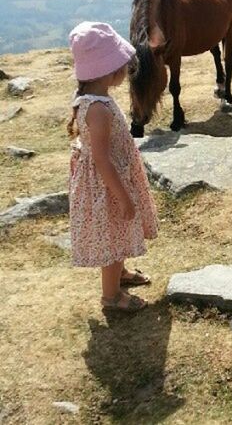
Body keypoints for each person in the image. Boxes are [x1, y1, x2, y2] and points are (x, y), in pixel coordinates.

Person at [67, 21, 158, 312]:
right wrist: (123, 196)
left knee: (119, 233)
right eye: (121, 63)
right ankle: (111, 296)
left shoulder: (97, 99)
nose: (126, 68)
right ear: (107, 70)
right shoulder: (98, 110)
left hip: (112, 180)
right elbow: (102, 160)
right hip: (109, 186)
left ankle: (119, 275)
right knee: (114, 240)